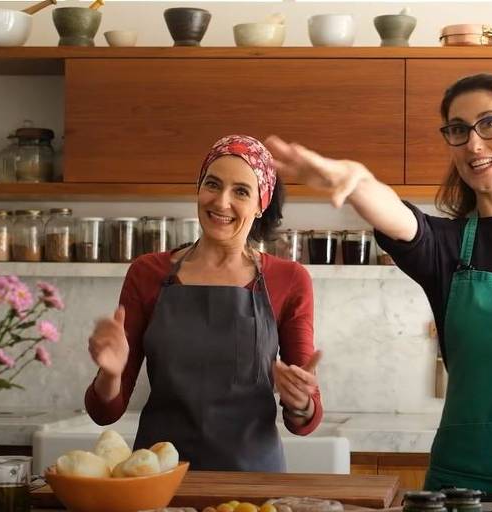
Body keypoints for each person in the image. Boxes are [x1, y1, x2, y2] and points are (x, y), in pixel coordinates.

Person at [264, 73, 492, 493]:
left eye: (489, 123)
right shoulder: (446, 244)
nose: (473, 143)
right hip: (464, 486)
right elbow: (399, 218)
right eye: (458, 130)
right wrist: (358, 180)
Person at [84, 135, 323, 472]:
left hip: (252, 483)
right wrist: (110, 375)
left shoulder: (290, 279)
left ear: (260, 204)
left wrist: (300, 402)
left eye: (241, 191)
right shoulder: (147, 273)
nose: (221, 202)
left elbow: (305, 419)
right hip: (155, 476)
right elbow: (104, 412)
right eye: (212, 184)